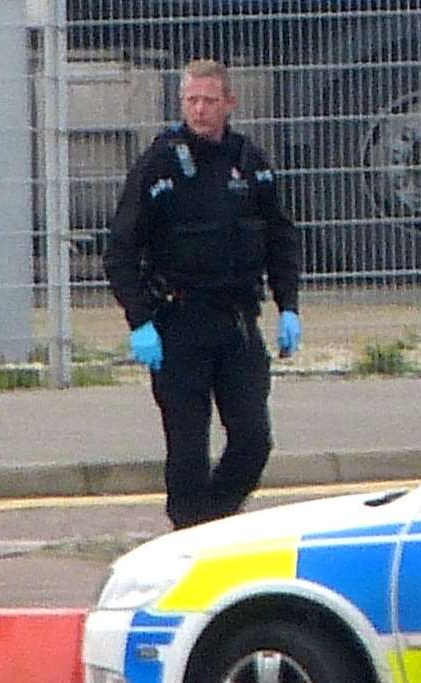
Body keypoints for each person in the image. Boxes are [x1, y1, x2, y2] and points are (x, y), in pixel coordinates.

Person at [105, 59, 302, 530]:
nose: (199, 110)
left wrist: (288, 305)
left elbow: (280, 237)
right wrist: (139, 321)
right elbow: (121, 250)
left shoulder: (249, 161)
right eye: (191, 100)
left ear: (229, 103)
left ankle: (212, 523)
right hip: (178, 321)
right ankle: (188, 528)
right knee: (188, 448)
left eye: (209, 101)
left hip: (236, 322)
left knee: (253, 439)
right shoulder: (160, 163)